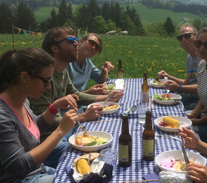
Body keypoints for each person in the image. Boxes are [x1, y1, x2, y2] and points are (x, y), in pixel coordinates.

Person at [28, 26, 123, 168]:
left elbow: (76, 94)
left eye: (76, 39)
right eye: (71, 40)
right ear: (54, 48)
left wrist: (107, 98)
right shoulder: (42, 77)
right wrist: (83, 117)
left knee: (104, 135)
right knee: (95, 158)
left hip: (64, 129)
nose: (76, 43)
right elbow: (41, 119)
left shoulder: (62, 70)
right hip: (48, 140)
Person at [0, 48, 78, 183]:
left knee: (79, 153)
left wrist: (54, 108)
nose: (48, 87)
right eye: (46, 81)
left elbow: (31, 132)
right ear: (24, 77)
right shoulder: (2, 116)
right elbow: (18, 167)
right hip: (21, 179)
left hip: (38, 170)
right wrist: (60, 131)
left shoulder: (23, 100)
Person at [158, 23, 201, 110]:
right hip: (191, 97)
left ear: (197, 37)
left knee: (172, 110)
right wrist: (168, 77)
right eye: (180, 38)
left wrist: (179, 88)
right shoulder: (189, 58)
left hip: (202, 102)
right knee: (161, 104)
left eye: (187, 36)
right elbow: (187, 82)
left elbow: (204, 88)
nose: (183, 40)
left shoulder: (204, 58)